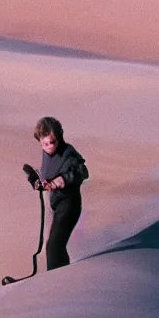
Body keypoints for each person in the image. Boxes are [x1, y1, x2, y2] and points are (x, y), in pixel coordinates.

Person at [33, 116, 89, 270]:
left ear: (59, 138)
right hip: (57, 205)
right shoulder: (48, 156)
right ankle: (63, 276)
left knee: (54, 246)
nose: (50, 146)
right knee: (54, 245)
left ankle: (56, 281)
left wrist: (60, 181)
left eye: (53, 142)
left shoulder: (67, 154)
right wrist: (37, 181)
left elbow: (82, 172)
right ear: (39, 142)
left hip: (69, 205)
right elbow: (47, 174)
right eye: (45, 143)